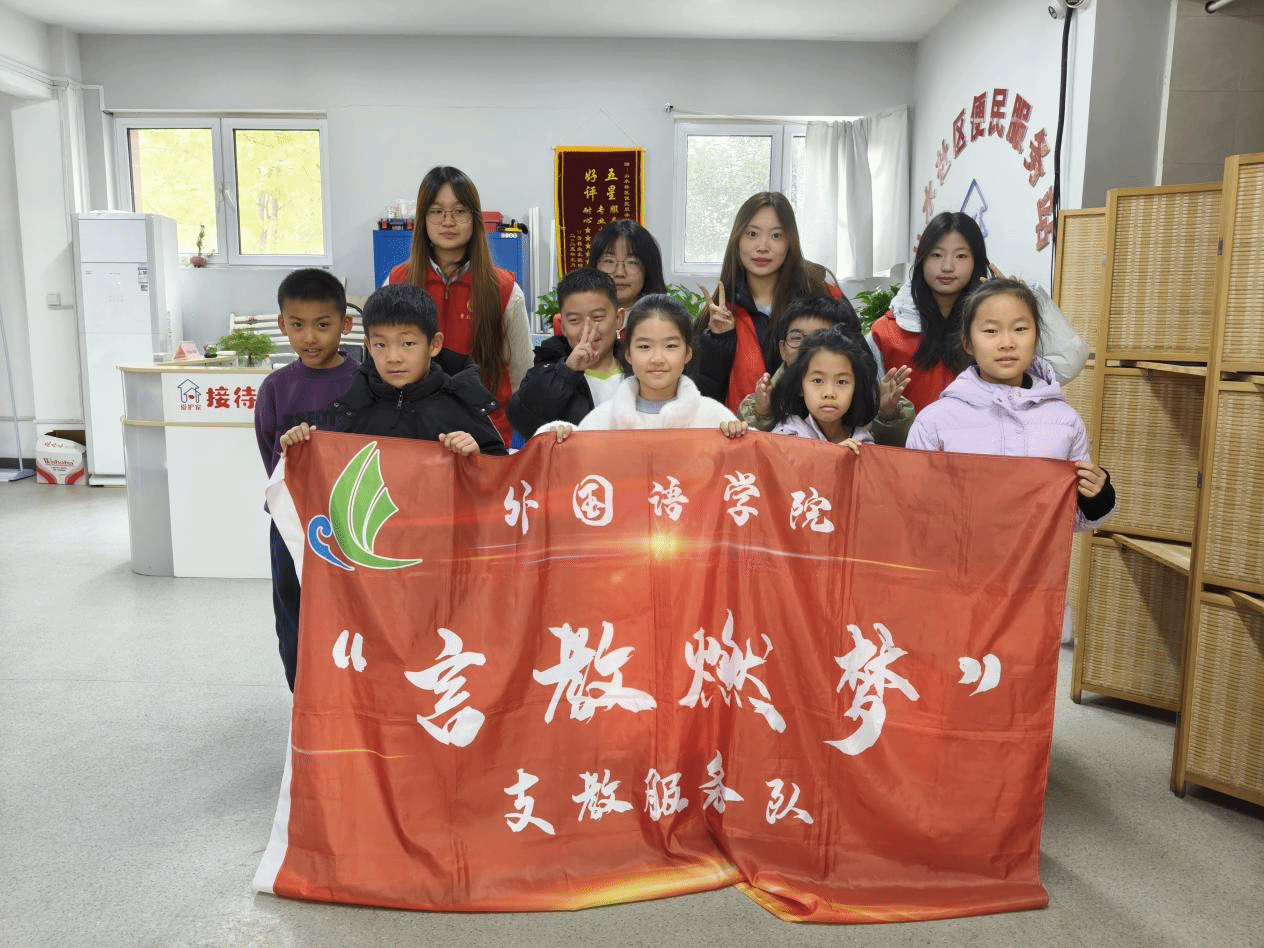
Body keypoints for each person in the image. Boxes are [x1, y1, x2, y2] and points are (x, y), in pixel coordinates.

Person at [905, 278, 1115, 534]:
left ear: (1036, 337)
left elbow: (1073, 520)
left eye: (1020, 329)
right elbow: (913, 508)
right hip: (953, 559)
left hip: (1036, 562)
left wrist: (1096, 497)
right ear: (968, 343)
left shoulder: (1066, 422)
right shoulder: (935, 422)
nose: (1007, 342)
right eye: (991, 331)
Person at [254, 268, 360, 692]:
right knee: (294, 612)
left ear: (345, 325)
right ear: (282, 324)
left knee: (355, 614)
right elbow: (270, 456)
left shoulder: (364, 383)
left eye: (323, 325)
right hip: (292, 524)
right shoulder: (275, 388)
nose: (310, 338)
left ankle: (353, 705)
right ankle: (304, 702)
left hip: (350, 526)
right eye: (297, 325)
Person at [868, 211, 1087, 413]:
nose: (947, 266)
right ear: (921, 259)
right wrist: (884, 413)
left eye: (961, 256)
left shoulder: (1000, 330)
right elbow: (862, 411)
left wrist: (1023, 303)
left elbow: (1066, 364)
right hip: (914, 443)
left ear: (977, 261)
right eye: (936, 255)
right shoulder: (887, 332)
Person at [387, 165, 531, 445]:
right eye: (437, 211)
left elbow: (520, 374)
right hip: (414, 433)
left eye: (459, 211)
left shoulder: (504, 290)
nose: (448, 221)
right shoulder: (397, 282)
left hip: (483, 436)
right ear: (423, 218)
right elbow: (383, 364)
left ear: (475, 219)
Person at [280, 283, 507, 457]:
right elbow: (326, 475)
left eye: (407, 343)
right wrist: (300, 449)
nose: (393, 358)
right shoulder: (350, 406)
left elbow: (501, 472)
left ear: (434, 344)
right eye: (380, 345)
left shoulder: (461, 403)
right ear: (368, 346)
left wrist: (476, 455)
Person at [693, 192, 841, 413]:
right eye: (752, 234)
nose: (762, 246)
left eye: (776, 236)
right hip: (742, 432)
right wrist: (719, 341)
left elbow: (855, 373)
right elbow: (702, 401)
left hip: (812, 431)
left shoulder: (824, 296)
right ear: (737, 240)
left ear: (790, 242)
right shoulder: (719, 314)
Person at [542, 294, 746, 440]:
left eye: (670, 346)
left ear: (687, 353)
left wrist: (737, 439)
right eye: (644, 347)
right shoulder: (602, 421)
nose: (657, 359)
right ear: (628, 354)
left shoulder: (715, 419)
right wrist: (559, 437)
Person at [738, 295, 914, 446]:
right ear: (782, 348)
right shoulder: (781, 422)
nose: (808, 347)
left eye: (820, 337)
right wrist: (762, 414)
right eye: (797, 338)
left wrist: (887, 414)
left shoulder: (862, 428)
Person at [507, 268, 624, 438]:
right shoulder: (546, 370)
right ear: (562, 326)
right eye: (574, 320)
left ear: (618, 318)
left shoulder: (638, 369)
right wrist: (567, 372)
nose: (587, 329)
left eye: (598, 317)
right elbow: (522, 418)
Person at [769, 329, 882, 454]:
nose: (829, 393)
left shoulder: (863, 441)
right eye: (817, 381)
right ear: (800, 387)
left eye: (841, 382)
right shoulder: (786, 436)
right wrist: (829, 456)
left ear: (856, 388)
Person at [589, 219, 669, 310]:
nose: (619, 273)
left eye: (632, 262)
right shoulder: (578, 314)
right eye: (609, 261)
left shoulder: (664, 317)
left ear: (648, 269)